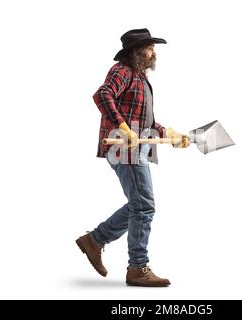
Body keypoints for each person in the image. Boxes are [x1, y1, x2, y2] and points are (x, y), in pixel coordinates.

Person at [76, 28, 189, 287]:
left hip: (135, 147)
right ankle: (137, 267)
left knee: (140, 205)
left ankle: (94, 240)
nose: (153, 52)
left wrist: (170, 134)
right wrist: (123, 128)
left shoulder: (138, 77)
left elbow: (144, 121)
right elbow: (102, 95)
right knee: (144, 205)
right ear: (137, 51)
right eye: (149, 47)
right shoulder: (122, 71)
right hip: (122, 147)